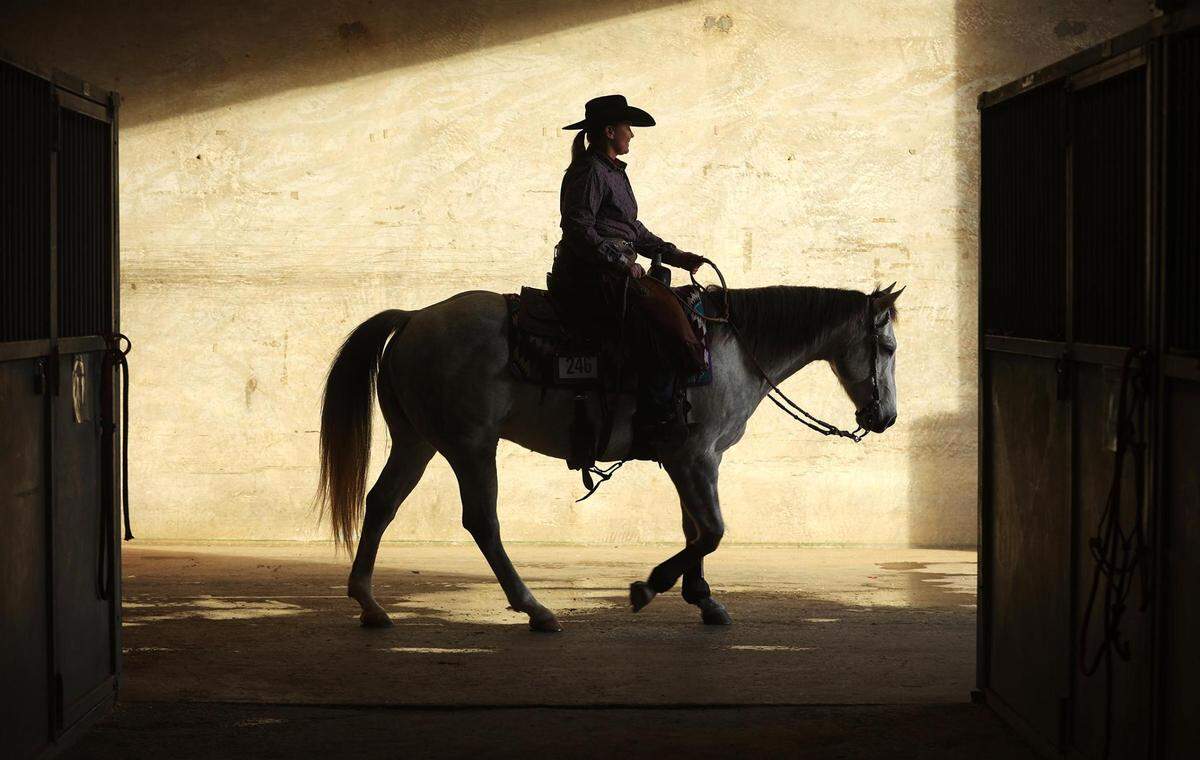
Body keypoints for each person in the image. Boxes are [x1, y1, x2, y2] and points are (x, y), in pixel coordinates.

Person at [551, 94, 708, 456]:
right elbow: (578, 227)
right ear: (609, 131)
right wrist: (621, 263)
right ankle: (653, 422)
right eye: (627, 128)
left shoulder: (613, 173)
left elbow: (631, 230)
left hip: (610, 271)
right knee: (655, 329)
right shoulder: (589, 171)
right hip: (589, 275)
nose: (631, 135)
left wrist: (676, 255)